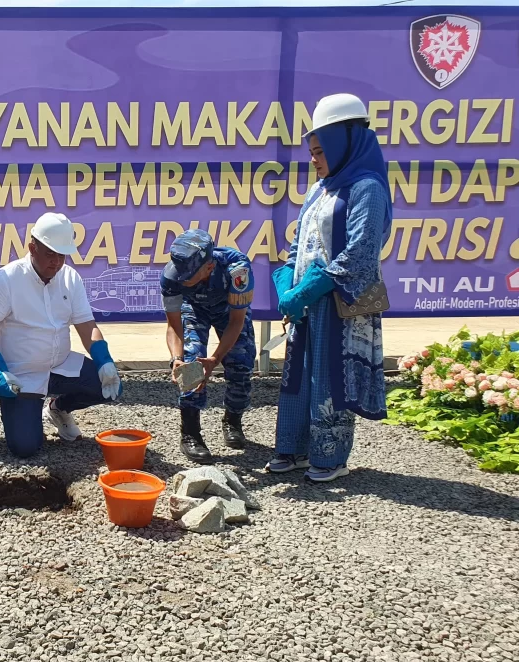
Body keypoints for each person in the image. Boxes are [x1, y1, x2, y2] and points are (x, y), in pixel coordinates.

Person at [267, 93, 391, 483]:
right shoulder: (320, 189)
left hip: (339, 304)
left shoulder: (367, 188)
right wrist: (287, 283)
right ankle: (295, 448)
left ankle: (330, 457)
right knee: (298, 375)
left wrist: (312, 287)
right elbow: (299, 244)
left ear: (344, 143)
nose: (314, 160)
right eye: (311, 152)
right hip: (307, 303)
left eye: (320, 152)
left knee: (329, 377)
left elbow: (361, 252)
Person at [0, 213, 123, 458]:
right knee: (25, 448)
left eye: (62, 255)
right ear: (32, 248)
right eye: (50, 254)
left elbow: (87, 325)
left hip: (61, 365)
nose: (56, 262)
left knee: (108, 386)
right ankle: (27, 412)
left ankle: (58, 409)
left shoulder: (70, 277)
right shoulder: (7, 279)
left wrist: (104, 359)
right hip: (22, 375)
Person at [160, 229, 256, 464]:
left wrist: (215, 359)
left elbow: (236, 321)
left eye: (188, 276)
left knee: (241, 364)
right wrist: (176, 359)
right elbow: (174, 326)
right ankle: (190, 433)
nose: (181, 280)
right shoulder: (171, 276)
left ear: (209, 268)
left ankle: (233, 420)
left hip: (229, 311)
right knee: (190, 364)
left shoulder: (237, 270)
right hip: (194, 309)